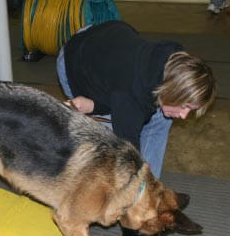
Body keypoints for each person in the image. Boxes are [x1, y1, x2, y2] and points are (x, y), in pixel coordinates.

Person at [56, 20, 216, 178]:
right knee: (116, 153)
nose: (184, 115)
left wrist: (92, 106)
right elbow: (128, 153)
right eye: (185, 106)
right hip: (78, 58)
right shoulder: (131, 98)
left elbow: (118, 95)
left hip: (110, 41)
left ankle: (148, 190)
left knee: (161, 118)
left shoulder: (173, 63)